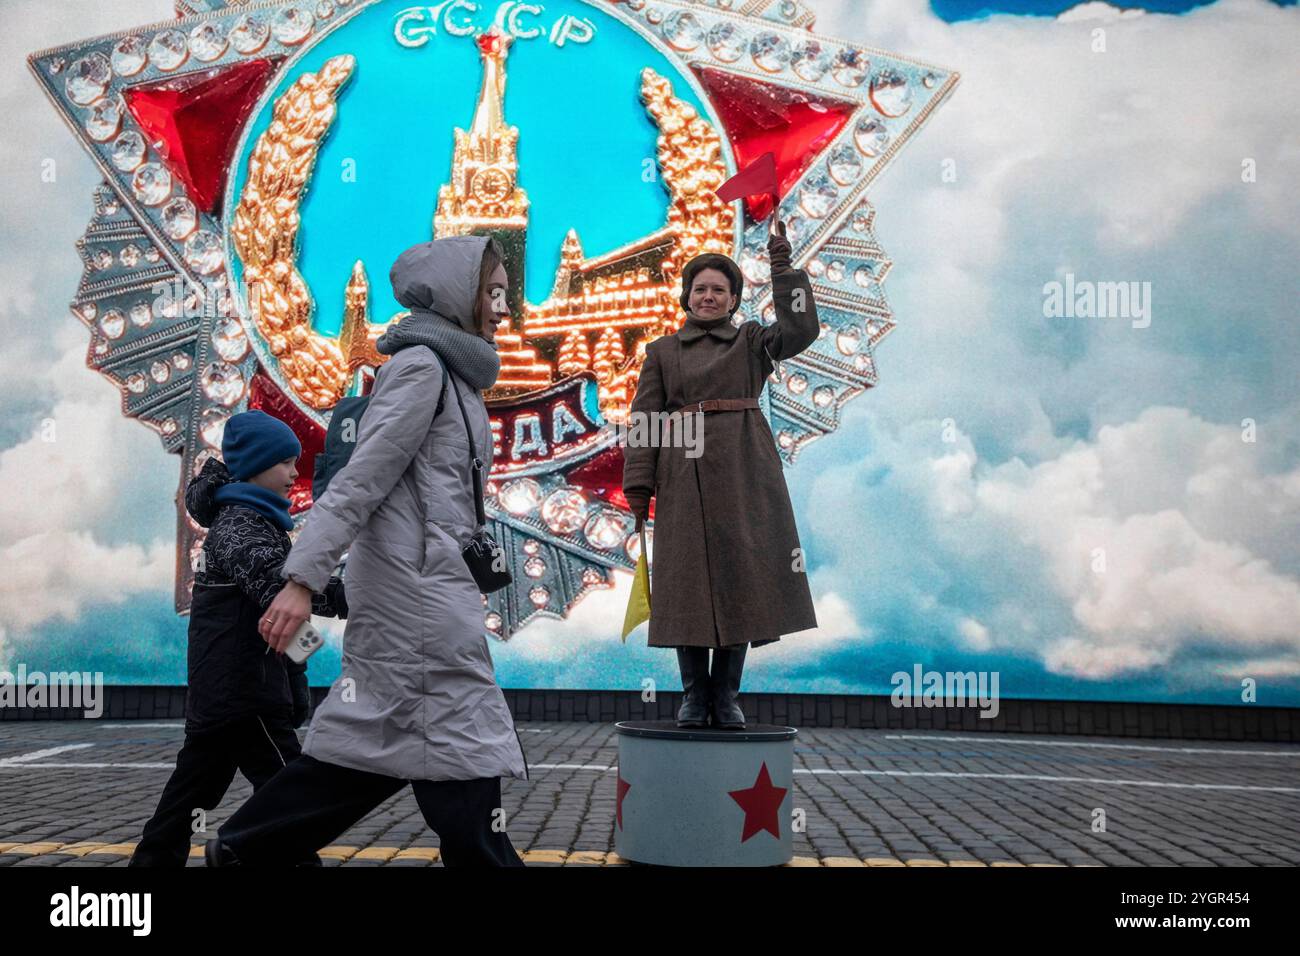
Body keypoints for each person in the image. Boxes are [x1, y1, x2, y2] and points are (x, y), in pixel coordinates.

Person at [205, 235, 528, 868]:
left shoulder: (456, 377)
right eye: (492, 293)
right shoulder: (422, 369)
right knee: (453, 739)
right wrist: (301, 579)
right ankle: (248, 848)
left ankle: (247, 848)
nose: (501, 309)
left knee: (385, 740)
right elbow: (362, 480)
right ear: (458, 294)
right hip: (418, 601)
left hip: (432, 588)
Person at [621, 220, 820, 729]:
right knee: (686, 578)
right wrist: (638, 486)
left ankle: (726, 695)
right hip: (682, 466)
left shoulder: (753, 341)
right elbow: (644, 419)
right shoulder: (662, 352)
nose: (708, 297)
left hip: (743, 465)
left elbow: (801, 330)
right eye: (700, 289)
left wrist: (784, 272)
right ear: (687, 296)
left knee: (739, 575)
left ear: (733, 299)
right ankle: (693, 695)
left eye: (719, 290)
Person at [129, 410, 347, 867]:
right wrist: (355, 596)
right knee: (291, 793)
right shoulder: (241, 526)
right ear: (254, 466)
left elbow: (276, 612)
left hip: (225, 693)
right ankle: (242, 852)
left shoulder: (250, 521)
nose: (294, 474)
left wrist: (296, 680)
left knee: (187, 800)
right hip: (246, 693)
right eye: (285, 463)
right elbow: (282, 588)